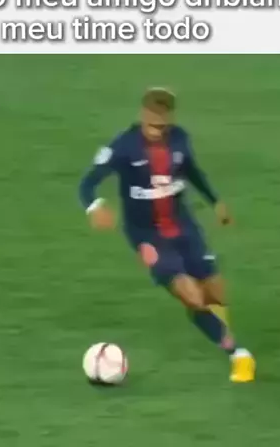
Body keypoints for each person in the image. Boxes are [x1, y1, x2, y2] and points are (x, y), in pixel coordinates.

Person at [78, 87, 255, 383]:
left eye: (162, 125)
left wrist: (215, 202)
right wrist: (94, 207)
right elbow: (86, 184)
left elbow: (192, 171)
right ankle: (237, 354)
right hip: (148, 236)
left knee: (215, 293)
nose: (156, 131)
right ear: (143, 115)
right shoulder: (123, 147)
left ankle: (218, 331)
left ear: (170, 119)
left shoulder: (180, 139)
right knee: (192, 297)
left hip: (184, 227)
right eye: (151, 124)